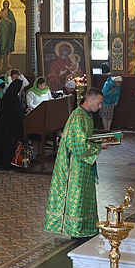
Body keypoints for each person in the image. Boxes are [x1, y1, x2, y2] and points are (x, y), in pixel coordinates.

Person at [44, 88, 118, 240]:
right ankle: (76, 230)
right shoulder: (77, 117)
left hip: (84, 163)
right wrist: (99, 146)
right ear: (89, 100)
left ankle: (86, 228)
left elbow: (86, 139)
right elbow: (78, 145)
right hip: (75, 165)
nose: (100, 106)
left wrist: (99, 142)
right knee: (77, 195)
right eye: (98, 103)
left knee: (85, 196)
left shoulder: (87, 116)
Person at [0, 79, 25, 170]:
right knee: (8, 145)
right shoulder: (13, 98)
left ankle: (1, 161)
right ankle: (7, 162)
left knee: (3, 144)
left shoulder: (7, 96)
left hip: (4, 125)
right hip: (11, 127)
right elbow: (15, 113)